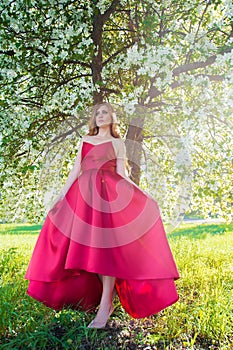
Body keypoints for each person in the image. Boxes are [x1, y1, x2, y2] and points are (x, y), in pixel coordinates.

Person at [25, 102, 180, 329]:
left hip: (108, 196)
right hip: (82, 197)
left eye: (104, 112)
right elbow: (75, 170)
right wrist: (60, 197)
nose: (100, 116)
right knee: (87, 248)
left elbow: (122, 174)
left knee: (106, 250)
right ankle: (103, 297)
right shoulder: (85, 141)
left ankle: (106, 305)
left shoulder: (117, 143)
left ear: (112, 117)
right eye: (97, 113)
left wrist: (145, 194)